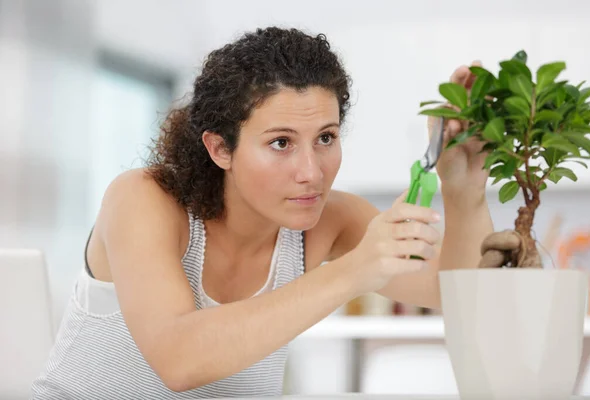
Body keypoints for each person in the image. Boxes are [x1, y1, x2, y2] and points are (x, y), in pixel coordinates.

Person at [31, 26, 493, 399]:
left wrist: (464, 187)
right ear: (220, 148)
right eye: (280, 143)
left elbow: (455, 291)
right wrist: (355, 269)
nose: (311, 172)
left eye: (326, 138)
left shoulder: (328, 219)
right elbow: (179, 358)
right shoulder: (145, 200)